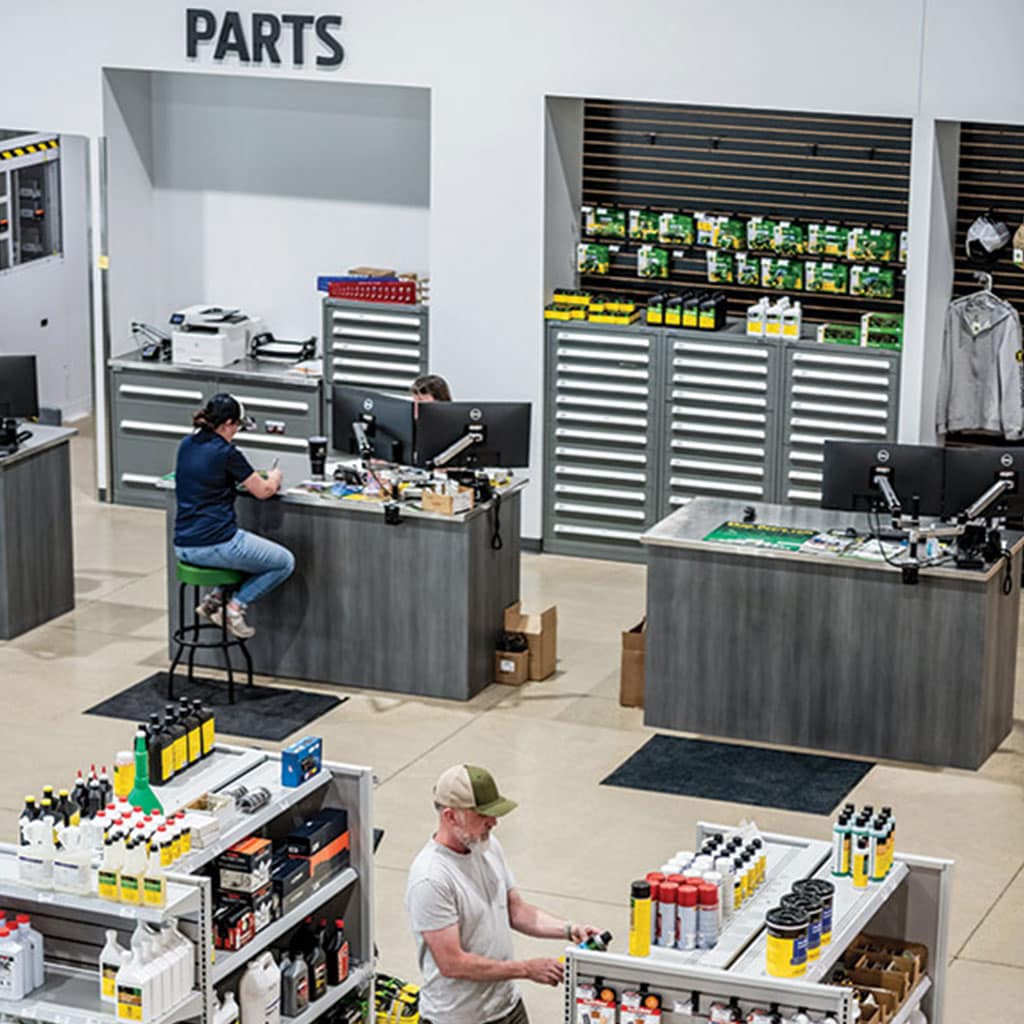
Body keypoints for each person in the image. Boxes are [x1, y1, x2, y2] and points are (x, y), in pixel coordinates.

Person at [405, 764, 604, 1024]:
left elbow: (516, 910)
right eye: (483, 815)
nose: (494, 822)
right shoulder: (431, 878)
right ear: (450, 816)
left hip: (507, 1008)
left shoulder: (485, 847)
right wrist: (526, 969)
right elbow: (452, 963)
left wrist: (569, 928)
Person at [173, 393, 295, 639]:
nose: (237, 432)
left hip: (183, 544)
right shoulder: (227, 453)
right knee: (283, 562)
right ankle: (235, 608)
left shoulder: (187, 444)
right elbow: (264, 491)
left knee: (251, 556)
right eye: (237, 426)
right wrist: (275, 476)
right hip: (214, 542)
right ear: (228, 423)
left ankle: (215, 599)